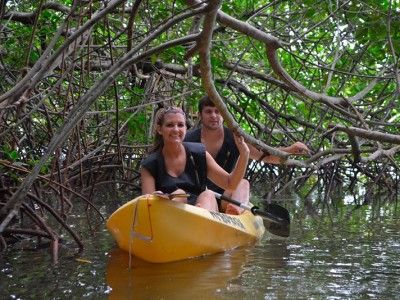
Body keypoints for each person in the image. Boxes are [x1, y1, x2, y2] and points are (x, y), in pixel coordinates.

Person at [184, 96, 311, 214]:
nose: (214, 116)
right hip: (196, 196)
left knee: (243, 183)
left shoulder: (237, 138)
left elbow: (267, 156)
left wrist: (290, 150)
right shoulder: (187, 139)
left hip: (226, 196)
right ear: (200, 115)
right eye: (209, 111)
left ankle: (234, 215)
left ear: (224, 114)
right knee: (207, 195)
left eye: (217, 111)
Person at [140, 106, 250, 213]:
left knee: (208, 194)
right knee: (180, 194)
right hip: (170, 213)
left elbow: (230, 183)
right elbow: (148, 207)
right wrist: (158, 198)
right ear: (160, 129)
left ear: (185, 129)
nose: (176, 129)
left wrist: (245, 154)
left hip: (201, 211)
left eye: (180, 125)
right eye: (169, 125)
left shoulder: (199, 154)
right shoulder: (149, 165)